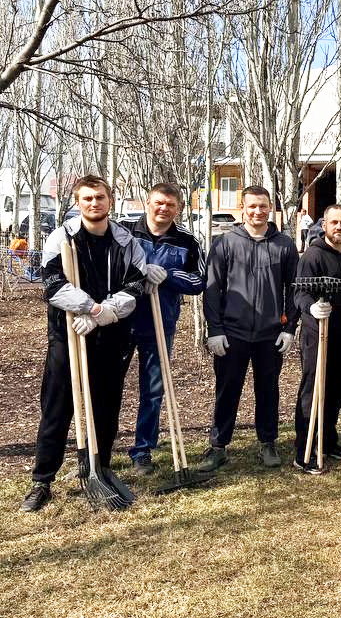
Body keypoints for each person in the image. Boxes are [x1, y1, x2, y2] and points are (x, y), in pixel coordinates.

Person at [20, 176, 146, 512]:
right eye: (87, 198)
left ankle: (100, 467)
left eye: (100, 197)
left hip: (111, 333)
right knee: (58, 405)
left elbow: (136, 284)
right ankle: (42, 479)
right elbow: (51, 282)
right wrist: (89, 307)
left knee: (106, 404)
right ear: (77, 201)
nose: (94, 203)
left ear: (110, 200)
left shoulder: (125, 240)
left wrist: (105, 312)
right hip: (68, 332)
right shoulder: (62, 237)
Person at [199, 186, 300, 472]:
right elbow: (212, 289)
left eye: (263, 206)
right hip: (232, 333)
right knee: (227, 389)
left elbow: (293, 290)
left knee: (268, 389)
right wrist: (214, 330)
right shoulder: (225, 243)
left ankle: (267, 442)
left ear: (271, 208)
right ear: (242, 208)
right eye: (252, 206)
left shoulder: (285, 245)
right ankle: (218, 446)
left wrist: (289, 327)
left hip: (270, 334)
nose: (258, 211)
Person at [120, 183, 206, 475]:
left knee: (153, 389)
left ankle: (142, 450)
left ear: (179, 208)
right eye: (158, 202)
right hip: (119, 320)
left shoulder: (186, 240)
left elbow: (199, 281)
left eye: (170, 204)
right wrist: (138, 271)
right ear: (147, 203)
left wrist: (169, 275)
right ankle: (100, 449)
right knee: (106, 387)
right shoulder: (125, 231)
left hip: (160, 322)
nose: (163, 208)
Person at [292, 204, 341, 474]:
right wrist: (310, 308)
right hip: (317, 334)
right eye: (334, 222)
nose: (339, 228)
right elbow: (300, 293)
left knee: (335, 391)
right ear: (324, 225)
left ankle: (328, 441)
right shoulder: (313, 256)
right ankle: (304, 450)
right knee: (313, 390)